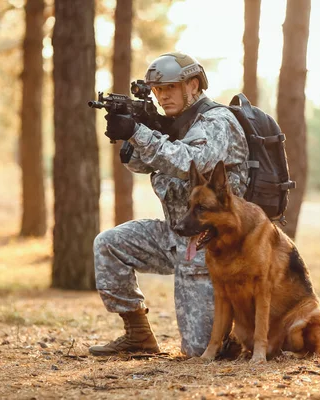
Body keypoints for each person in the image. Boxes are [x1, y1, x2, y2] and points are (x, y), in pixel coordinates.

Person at [89, 52, 249, 357]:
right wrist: (130, 138)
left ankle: (241, 336)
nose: (163, 96)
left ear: (193, 84)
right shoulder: (176, 126)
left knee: (200, 350)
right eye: (158, 90)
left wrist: (139, 133)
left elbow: (193, 162)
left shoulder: (218, 121)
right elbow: (142, 166)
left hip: (213, 245)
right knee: (109, 244)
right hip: (176, 235)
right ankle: (138, 335)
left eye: (170, 88)